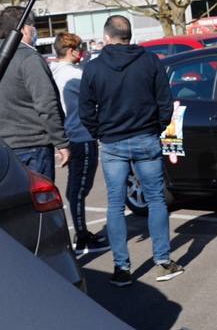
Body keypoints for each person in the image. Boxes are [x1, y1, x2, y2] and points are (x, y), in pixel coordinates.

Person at [79, 15, 186, 286]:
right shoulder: (150, 61)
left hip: (112, 141)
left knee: (115, 205)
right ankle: (163, 260)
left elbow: (85, 111)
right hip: (145, 137)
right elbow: (165, 101)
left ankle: (121, 268)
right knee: (156, 200)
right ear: (129, 35)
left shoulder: (93, 68)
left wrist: (100, 133)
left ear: (106, 37)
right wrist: (157, 127)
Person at [0, 6, 69, 180]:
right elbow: (46, 103)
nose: (35, 31)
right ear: (24, 28)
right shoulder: (29, 58)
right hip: (34, 143)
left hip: (5, 143)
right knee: (42, 200)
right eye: (33, 26)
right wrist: (61, 142)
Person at [49, 32, 107, 256]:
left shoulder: (54, 73)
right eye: (79, 50)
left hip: (70, 134)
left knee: (76, 186)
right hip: (81, 135)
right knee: (80, 187)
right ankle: (81, 234)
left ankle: (81, 230)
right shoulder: (75, 75)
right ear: (72, 51)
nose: (82, 54)